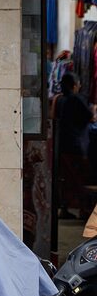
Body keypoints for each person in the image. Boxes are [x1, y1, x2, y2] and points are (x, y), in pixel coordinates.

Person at [55, 72, 94, 219]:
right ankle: (85, 210)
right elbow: (90, 117)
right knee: (81, 179)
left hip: (63, 145)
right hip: (77, 146)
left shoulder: (59, 100)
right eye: (78, 83)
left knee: (67, 180)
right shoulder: (77, 99)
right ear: (74, 85)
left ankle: (65, 208)